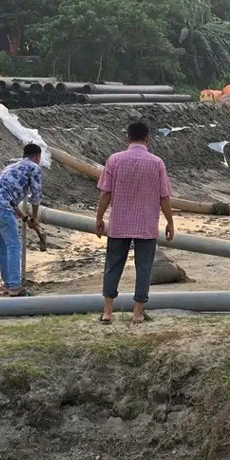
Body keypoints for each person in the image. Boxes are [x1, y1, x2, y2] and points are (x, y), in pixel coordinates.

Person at [95, 121, 175, 325]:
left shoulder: (114, 160)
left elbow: (106, 193)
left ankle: (107, 312)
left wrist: (99, 217)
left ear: (128, 138)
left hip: (119, 223)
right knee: (144, 267)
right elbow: (164, 197)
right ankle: (138, 312)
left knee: (113, 266)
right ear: (148, 139)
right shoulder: (157, 163)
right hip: (146, 224)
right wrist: (170, 222)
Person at [0, 143, 43, 297]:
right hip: (2, 208)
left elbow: (9, 198)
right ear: (37, 156)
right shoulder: (34, 168)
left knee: (1, 247)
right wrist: (35, 217)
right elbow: (35, 196)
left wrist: (25, 218)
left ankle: (8, 283)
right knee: (14, 246)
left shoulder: (11, 167)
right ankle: (15, 287)